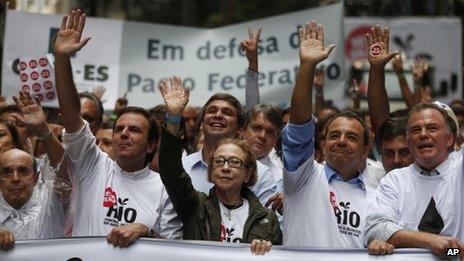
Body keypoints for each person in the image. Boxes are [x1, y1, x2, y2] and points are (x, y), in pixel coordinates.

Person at [53, 9, 182, 247]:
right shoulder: (93, 165)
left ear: (151, 144)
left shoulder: (164, 189)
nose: (123, 133)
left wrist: (146, 231)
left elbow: (174, 249)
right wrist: (61, 59)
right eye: (119, 128)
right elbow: (72, 116)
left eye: (134, 130)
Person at [158, 76, 281, 255]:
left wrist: (268, 247)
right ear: (210, 170)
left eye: (234, 162)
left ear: (248, 173)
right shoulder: (195, 205)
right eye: (218, 161)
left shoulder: (266, 218)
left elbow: (276, 251)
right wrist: (174, 117)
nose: (225, 168)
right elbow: (171, 171)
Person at [282, 20, 377, 248]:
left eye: (351, 137)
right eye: (334, 136)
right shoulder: (302, 177)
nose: (341, 141)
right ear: (322, 144)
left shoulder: (379, 196)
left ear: (366, 150)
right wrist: (307, 67)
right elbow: (297, 130)